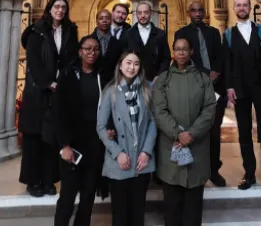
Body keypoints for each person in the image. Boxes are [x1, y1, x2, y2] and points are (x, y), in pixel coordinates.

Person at [18, 0, 78, 197]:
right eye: (57, 6)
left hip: (58, 91)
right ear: (50, 8)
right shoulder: (36, 31)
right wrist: (47, 82)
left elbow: (71, 58)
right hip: (38, 91)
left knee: (51, 136)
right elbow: (34, 62)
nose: (60, 10)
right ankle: (33, 181)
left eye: (63, 7)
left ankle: (48, 179)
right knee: (34, 136)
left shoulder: (70, 30)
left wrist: (63, 81)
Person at [153, 38, 216, 226]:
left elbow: (209, 109)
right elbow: (159, 110)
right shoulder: (163, 79)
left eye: (185, 49)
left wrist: (192, 133)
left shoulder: (203, 79)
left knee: (193, 209)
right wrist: (177, 134)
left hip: (197, 147)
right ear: (173, 52)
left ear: (191, 52)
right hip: (170, 146)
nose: (181, 53)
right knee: (172, 207)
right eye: (177, 49)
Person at [51, 36, 112, 226]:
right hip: (73, 143)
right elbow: (59, 112)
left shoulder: (103, 75)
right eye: (87, 49)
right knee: (67, 196)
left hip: (95, 143)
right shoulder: (68, 75)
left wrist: (109, 129)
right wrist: (65, 145)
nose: (92, 53)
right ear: (80, 51)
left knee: (88, 195)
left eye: (96, 49)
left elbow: (110, 106)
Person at [224, 0, 261, 193]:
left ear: (250, 8)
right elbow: (228, 64)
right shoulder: (228, 35)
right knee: (244, 132)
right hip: (240, 89)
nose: (242, 8)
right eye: (238, 5)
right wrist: (229, 87)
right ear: (234, 8)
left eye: (245, 5)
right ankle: (249, 173)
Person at [97, 51, 156, 226]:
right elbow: (100, 127)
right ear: (120, 66)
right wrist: (118, 153)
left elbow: (153, 123)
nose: (132, 67)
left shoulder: (147, 90)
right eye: (128, 63)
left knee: (138, 212)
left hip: (141, 161)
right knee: (120, 214)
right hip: (120, 160)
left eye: (136, 64)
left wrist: (146, 152)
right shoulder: (110, 92)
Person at [174, 0, 226, 187]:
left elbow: (220, 56)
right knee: (195, 131)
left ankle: (214, 170)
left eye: (200, 10)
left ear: (204, 12)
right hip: (194, 87)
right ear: (189, 12)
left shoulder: (213, 32)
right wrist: (206, 73)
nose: (197, 13)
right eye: (194, 10)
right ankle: (197, 170)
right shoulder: (182, 33)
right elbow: (183, 59)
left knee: (214, 131)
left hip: (216, 88)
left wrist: (216, 71)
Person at [126, 1, 171, 83]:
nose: (142, 15)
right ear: (136, 14)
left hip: (155, 80)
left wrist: (159, 75)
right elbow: (124, 57)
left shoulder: (160, 34)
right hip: (133, 79)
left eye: (146, 12)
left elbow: (166, 58)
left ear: (151, 13)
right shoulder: (128, 34)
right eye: (140, 13)